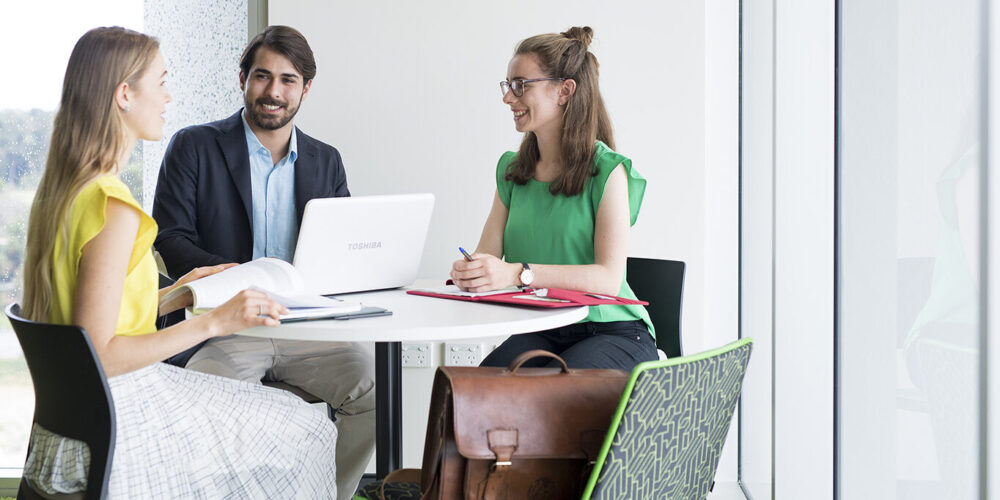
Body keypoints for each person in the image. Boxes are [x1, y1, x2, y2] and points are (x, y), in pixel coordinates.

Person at [20, 27, 337, 498]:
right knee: (311, 431)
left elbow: (85, 315)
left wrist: (176, 292)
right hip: (128, 406)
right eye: (162, 81)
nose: (169, 96)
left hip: (84, 411)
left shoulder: (66, 193)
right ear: (125, 94)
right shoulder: (114, 208)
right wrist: (215, 322)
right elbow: (101, 353)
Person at [151, 25, 374, 498]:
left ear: (305, 89)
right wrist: (246, 278)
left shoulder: (326, 161)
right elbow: (171, 238)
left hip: (306, 328)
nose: (273, 92)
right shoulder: (193, 147)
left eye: (288, 80)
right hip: (226, 326)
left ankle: (324, 493)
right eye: (262, 76)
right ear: (243, 79)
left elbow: (343, 249)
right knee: (200, 405)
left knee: (376, 392)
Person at [450, 26, 658, 372]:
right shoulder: (512, 170)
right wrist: (475, 270)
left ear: (564, 91)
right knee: (473, 394)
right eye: (507, 85)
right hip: (541, 329)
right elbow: (487, 253)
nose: (508, 98)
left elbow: (608, 278)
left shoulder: (608, 172)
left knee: (549, 394)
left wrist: (518, 273)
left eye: (520, 85)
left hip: (612, 331)